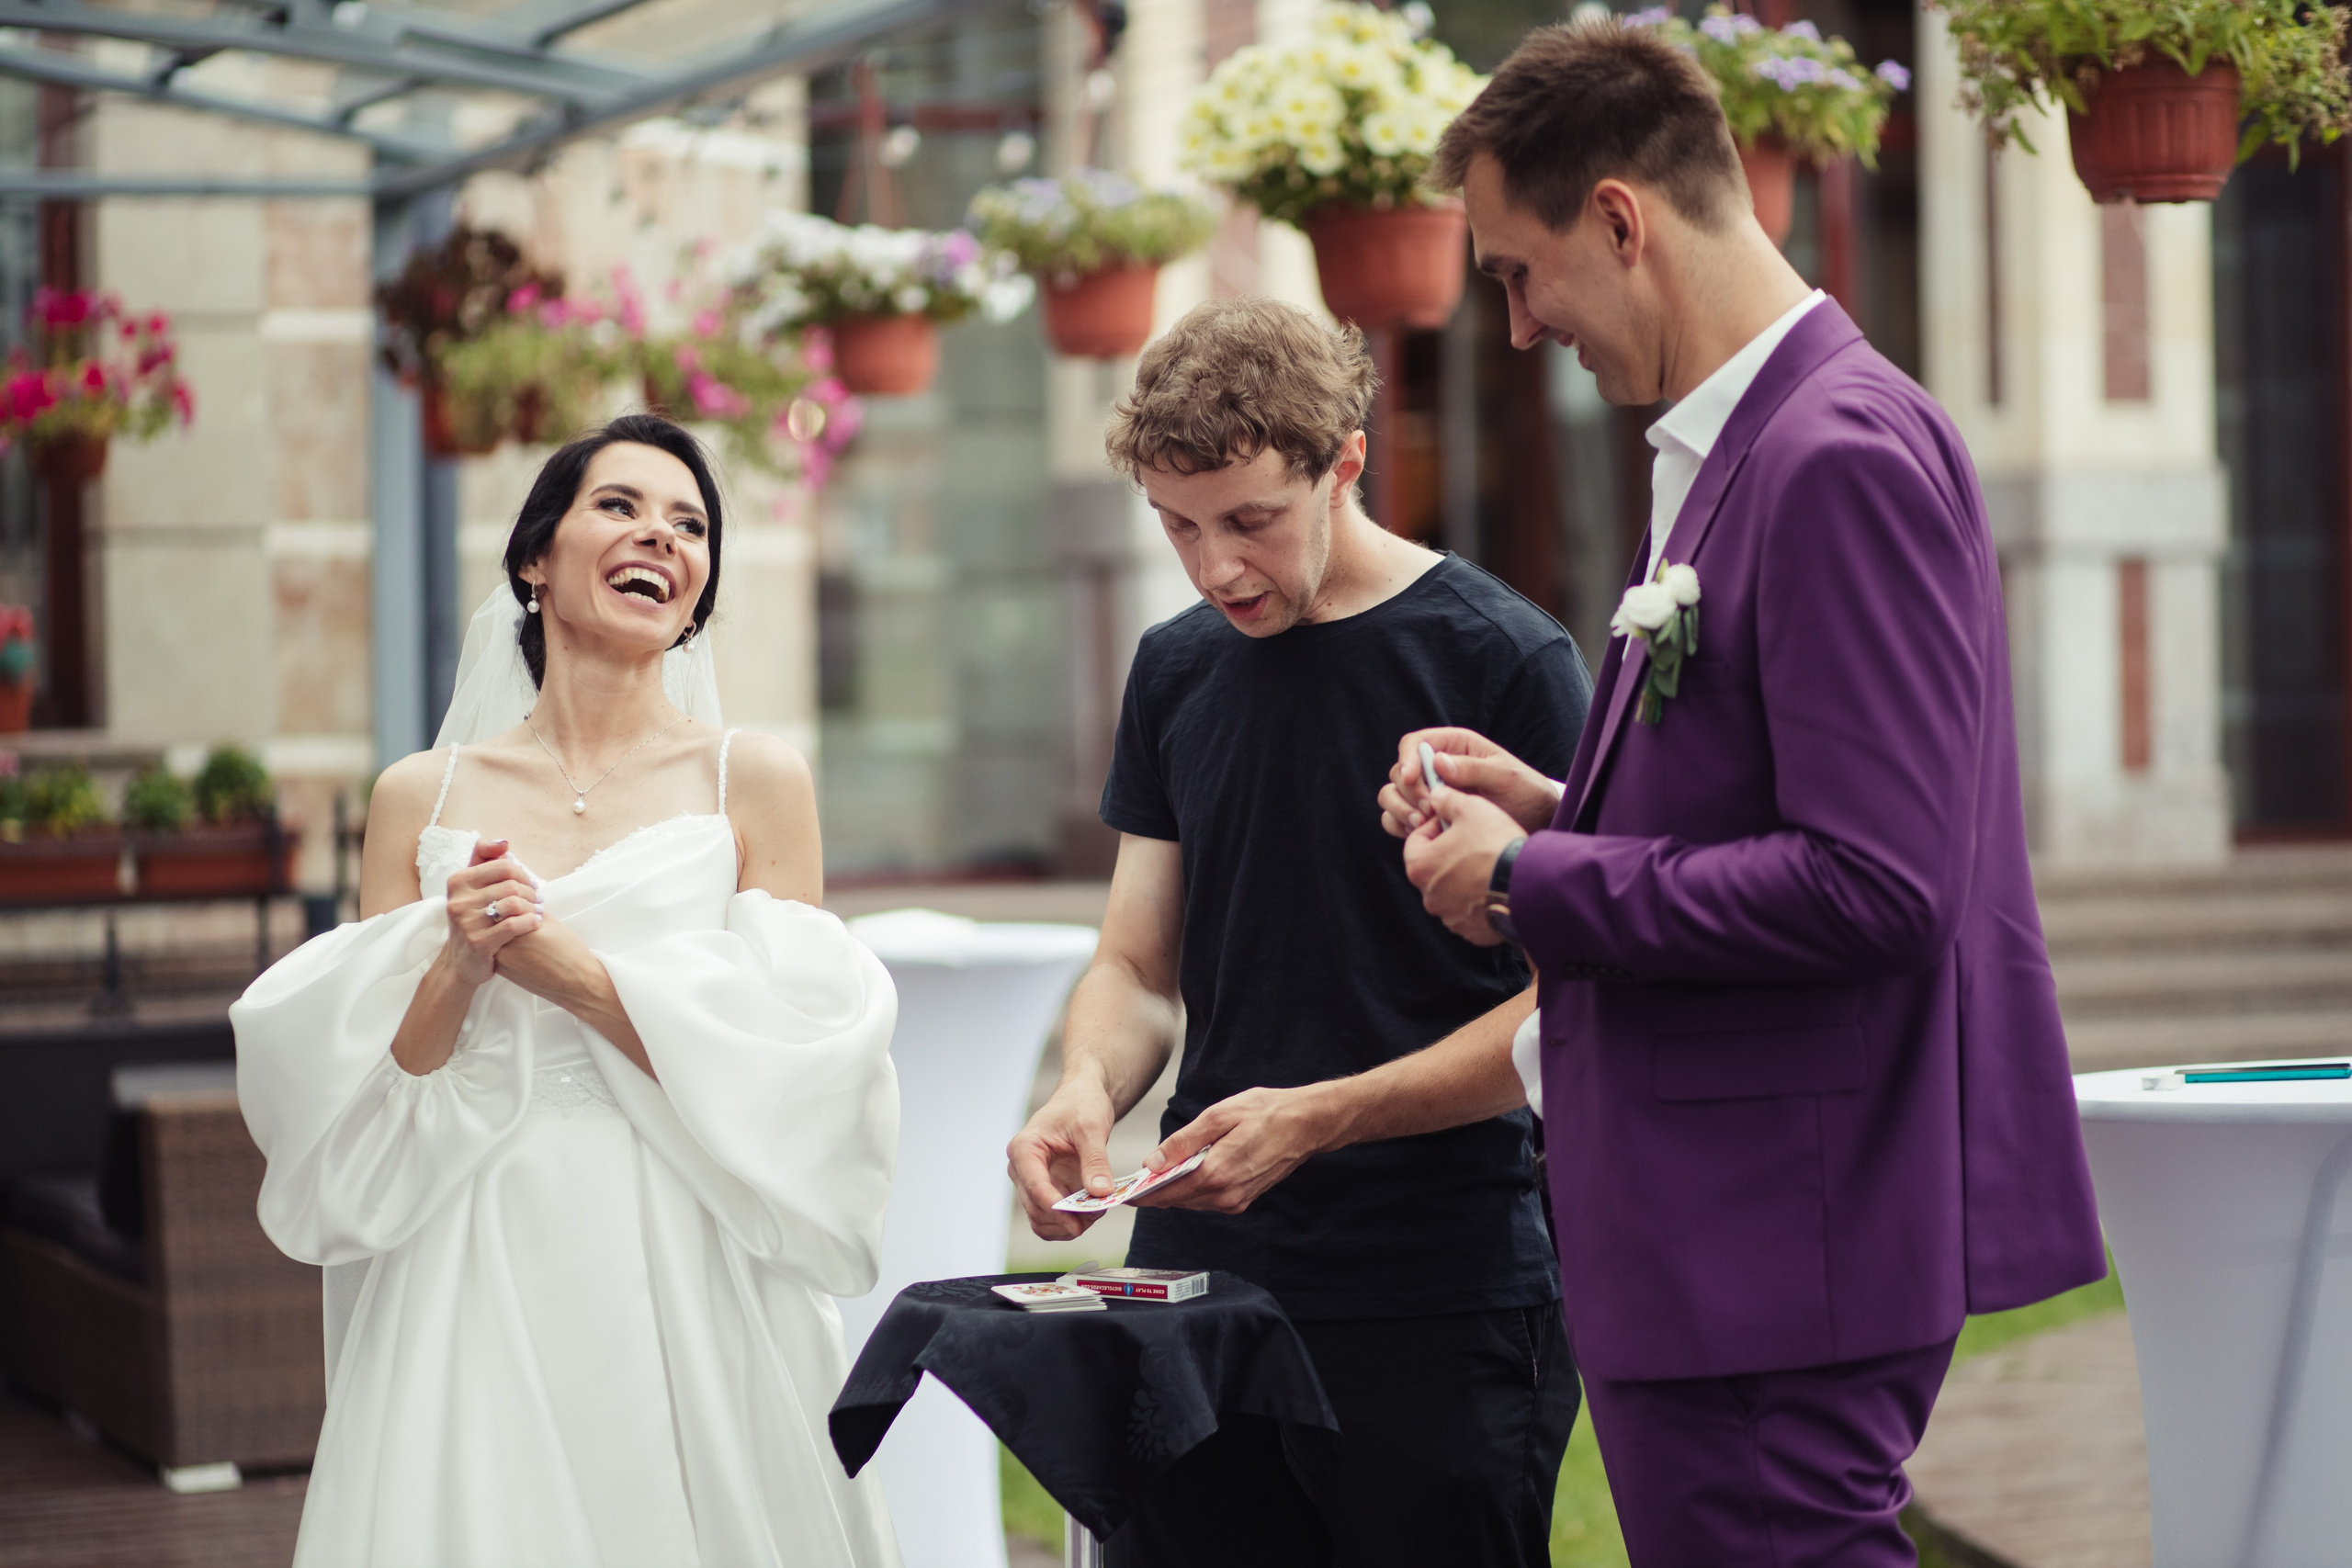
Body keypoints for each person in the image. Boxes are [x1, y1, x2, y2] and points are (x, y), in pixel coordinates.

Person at [1380, 20, 2108, 1566]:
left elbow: (1880, 881)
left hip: (1778, 1245)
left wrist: (1531, 882)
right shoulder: (1744, 443)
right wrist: (1557, 797)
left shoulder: (1834, 454)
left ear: (1623, 221)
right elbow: (1764, 797)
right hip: (1727, 1236)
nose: (1516, 328)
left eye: (1519, 271)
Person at [232, 414, 902, 1568]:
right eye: (622, 507)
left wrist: (567, 973)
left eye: (691, 526)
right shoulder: (420, 797)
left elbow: (788, 1065)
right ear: (535, 560)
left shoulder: (754, 780)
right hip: (474, 1244)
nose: (661, 537)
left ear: (697, 595)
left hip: (686, 1249)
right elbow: (386, 1087)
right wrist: (458, 964)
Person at [1006, 298, 1591, 1567]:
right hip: (1199, 1281)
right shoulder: (1174, 669)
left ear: (1345, 463)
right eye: (1178, 526)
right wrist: (1086, 1085)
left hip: (1441, 1283)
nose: (1216, 567)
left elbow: (1577, 1004)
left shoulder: (1505, 659)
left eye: (1251, 520)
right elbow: (1137, 962)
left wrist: (1321, 1113)